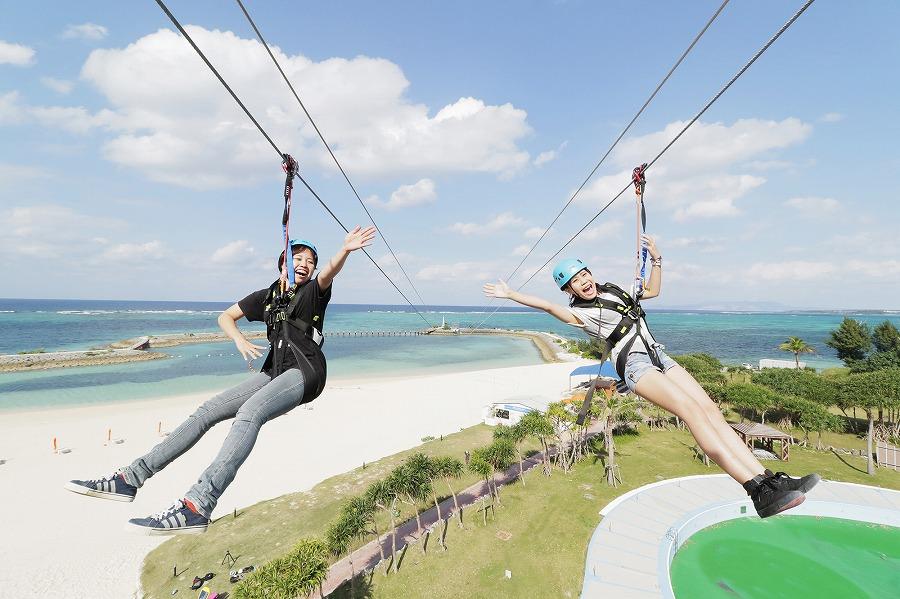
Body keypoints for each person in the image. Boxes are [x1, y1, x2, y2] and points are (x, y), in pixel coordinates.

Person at [65, 226, 377, 534]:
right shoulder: (266, 297)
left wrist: (345, 250)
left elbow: (329, 273)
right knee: (207, 411)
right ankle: (130, 478)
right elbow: (225, 317)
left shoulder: (312, 293)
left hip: (305, 373)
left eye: (310, 260)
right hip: (273, 372)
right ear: (283, 262)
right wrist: (239, 339)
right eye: (297, 257)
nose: (304, 264)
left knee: (249, 414)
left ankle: (198, 504)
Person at [483, 236, 819, 518]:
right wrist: (511, 294)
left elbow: (652, 292)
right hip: (636, 366)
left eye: (584, 274)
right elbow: (547, 307)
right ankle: (754, 489)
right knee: (691, 413)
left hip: (660, 356)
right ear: (568, 289)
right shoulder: (581, 314)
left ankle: (772, 481)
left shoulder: (614, 291)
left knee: (712, 412)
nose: (583, 282)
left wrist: (657, 260)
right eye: (575, 281)